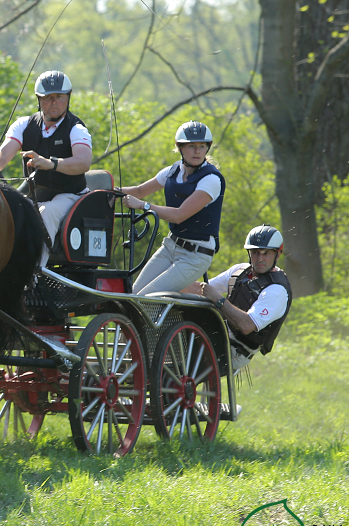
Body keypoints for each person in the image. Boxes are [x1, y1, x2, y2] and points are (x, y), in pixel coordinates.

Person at [0, 70, 93, 267]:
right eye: (48, 98)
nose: (54, 102)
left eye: (59, 97)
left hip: (70, 195)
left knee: (45, 213)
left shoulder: (76, 129)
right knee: (4, 210)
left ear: (68, 98)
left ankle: (33, 273)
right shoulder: (24, 125)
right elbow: (2, 158)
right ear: (39, 100)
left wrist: (52, 163)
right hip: (36, 191)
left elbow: (83, 162)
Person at [121, 121, 225, 295]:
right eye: (192, 146)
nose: (198, 151)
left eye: (202, 146)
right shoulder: (171, 172)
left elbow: (179, 215)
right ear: (180, 147)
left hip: (196, 255)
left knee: (148, 299)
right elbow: (139, 190)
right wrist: (106, 191)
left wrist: (143, 205)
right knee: (133, 295)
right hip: (171, 246)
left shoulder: (211, 180)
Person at [184, 225, 292, 372]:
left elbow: (247, 326)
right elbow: (203, 289)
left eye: (265, 253)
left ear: (278, 254)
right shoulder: (240, 271)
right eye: (255, 252)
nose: (260, 258)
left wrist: (218, 300)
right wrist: (169, 286)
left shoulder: (276, 291)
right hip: (218, 336)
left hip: (235, 352)